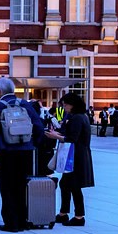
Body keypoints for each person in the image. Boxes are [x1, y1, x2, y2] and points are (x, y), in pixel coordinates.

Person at [0, 77, 46, 232]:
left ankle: (11, 222)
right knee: (21, 185)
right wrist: (34, 144)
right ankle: (23, 220)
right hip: (25, 151)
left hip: (5, 152)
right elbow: (38, 125)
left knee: (6, 186)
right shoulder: (25, 104)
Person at [47, 92, 95, 227]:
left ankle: (79, 216)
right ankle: (64, 213)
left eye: (65, 105)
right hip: (78, 155)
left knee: (74, 186)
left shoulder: (77, 118)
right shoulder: (81, 117)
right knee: (66, 184)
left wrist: (55, 136)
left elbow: (72, 139)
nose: (64, 107)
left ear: (72, 105)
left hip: (76, 156)